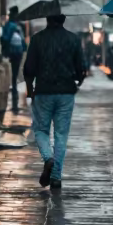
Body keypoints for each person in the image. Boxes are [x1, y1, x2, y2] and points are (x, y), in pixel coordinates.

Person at [23, 13, 86, 189]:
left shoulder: (37, 39)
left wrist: (30, 90)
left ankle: (48, 158)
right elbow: (82, 68)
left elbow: (29, 68)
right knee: (61, 134)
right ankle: (56, 176)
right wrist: (77, 82)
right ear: (63, 19)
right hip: (66, 93)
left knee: (41, 130)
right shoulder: (73, 39)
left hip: (43, 92)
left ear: (47, 19)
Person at [0, 6, 26, 113]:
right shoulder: (19, 26)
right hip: (19, 52)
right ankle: (15, 99)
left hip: (12, 52)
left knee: (13, 76)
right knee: (15, 75)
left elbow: (5, 39)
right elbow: (24, 43)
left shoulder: (9, 25)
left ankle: (14, 101)